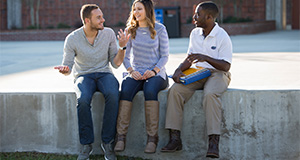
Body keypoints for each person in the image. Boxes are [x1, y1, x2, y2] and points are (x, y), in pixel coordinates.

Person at [54, 4, 130, 160]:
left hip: (104, 73)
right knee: (82, 100)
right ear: (87, 20)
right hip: (84, 75)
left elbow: (115, 64)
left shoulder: (108, 33)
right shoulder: (72, 38)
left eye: (102, 16)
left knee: (113, 94)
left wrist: (122, 48)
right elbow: (68, 66)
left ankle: (108, 143)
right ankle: (86, 145)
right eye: (99, 18)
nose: (103, 20)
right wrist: (65, 70)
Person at [160, 1, 232, 158]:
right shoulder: (195, 33)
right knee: (175, 91)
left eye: (198, 14)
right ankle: (175, 138)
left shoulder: (222, 36)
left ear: (209, 17)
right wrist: (179, 70)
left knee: (210, 94)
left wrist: (205, 57)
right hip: (197, 73)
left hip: (218, 73)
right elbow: (190, 58)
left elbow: (226, 66)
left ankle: (213, 142)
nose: (194, 17)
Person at [113, 0, 169, 154]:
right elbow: (125, 56)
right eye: (134, 9)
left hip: (156, 73)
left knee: (150, 90)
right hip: (136, 72)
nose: (136, 12)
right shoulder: (131, 30)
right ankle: (120, 137)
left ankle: (152, 138)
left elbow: (165, 56)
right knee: (126, 89)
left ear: (147, 10)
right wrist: (131, 71)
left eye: (139, 9)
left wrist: (154, 71)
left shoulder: (160, 29)